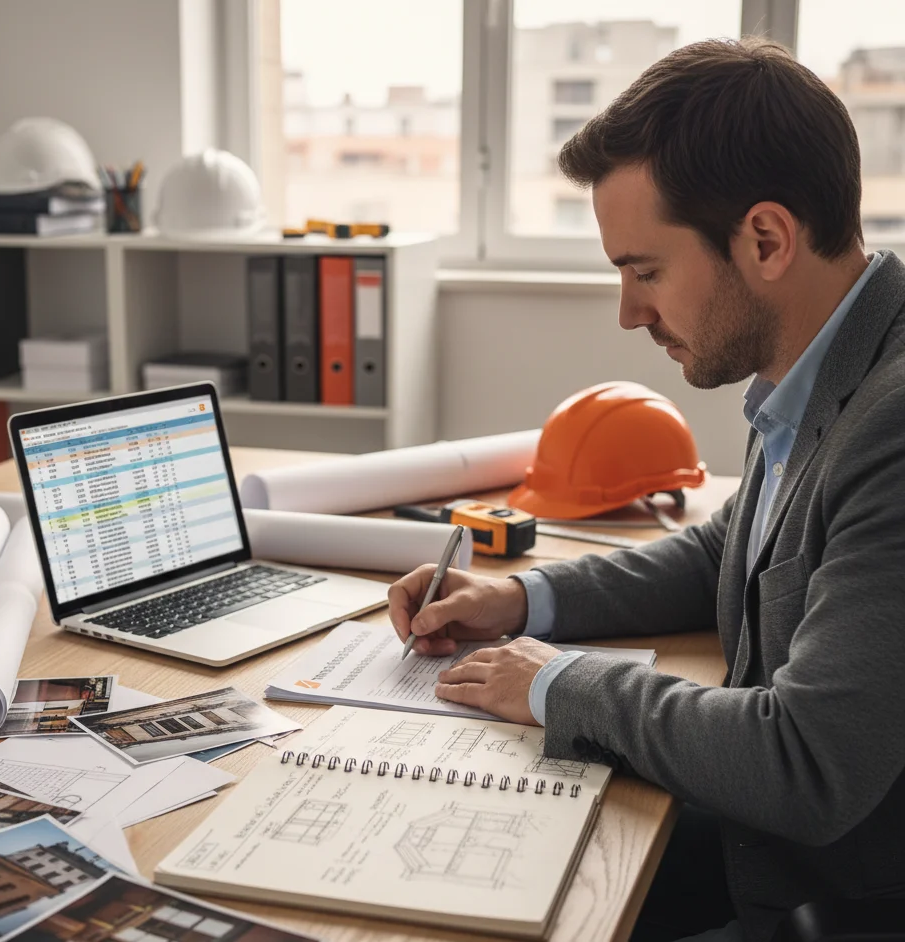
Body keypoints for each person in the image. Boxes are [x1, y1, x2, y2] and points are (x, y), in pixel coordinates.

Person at [388, 38, 905, 942]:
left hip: (843, 893)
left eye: (644, 271)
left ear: (767, 240)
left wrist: (563, 684)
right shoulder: (823, 362)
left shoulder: (894, 423)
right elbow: (735, 544)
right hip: (789, 846)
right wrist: (520, 598)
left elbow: (806, 763)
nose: (628, 312)